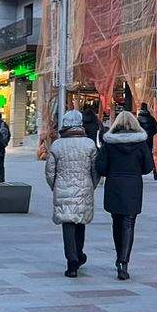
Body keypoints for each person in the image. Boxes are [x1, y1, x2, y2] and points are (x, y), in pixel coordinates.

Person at [95, 110, 154, 280]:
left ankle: (118, 256)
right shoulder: (141, 144)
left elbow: (101, 167)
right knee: (129, 222)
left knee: (117, 221)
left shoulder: (109, 144)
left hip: (114, 185)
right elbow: (148, 167)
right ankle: (124, 262)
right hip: (133, 186)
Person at [45, 109, 99, 276]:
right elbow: (95, 169)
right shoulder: (89, 144)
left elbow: (49, 171)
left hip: (63, 187)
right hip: (84, 188)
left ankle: (71, 261)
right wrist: (92, 185)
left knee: (67, 223)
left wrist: (55, 186)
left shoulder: (57, 145)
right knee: (80, 222)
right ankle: (79, 253)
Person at [137, 102, 157, 181]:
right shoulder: (151, 118)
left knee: (140, 156)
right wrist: (150, 134)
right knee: (149, 154)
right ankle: (154, 169)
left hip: (140, 140)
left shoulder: (138, 119)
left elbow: (135, 129)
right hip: (149, 139)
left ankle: (139, 171)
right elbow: (156, 128)